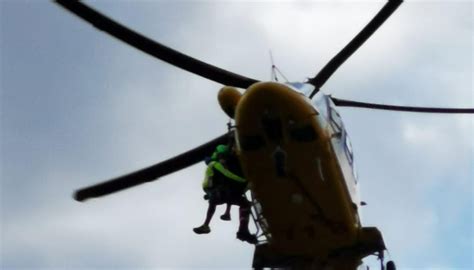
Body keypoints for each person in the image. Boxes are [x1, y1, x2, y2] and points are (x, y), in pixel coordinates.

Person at [193, 150, 257, 244]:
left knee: (236, 200)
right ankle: (242, 229)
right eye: (223, 160)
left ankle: (241, 229)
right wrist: (243, 181)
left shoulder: (216, 168)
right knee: (240, 202)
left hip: (217, 193)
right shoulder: (215, 164)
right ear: (220, 159)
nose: (224, 162)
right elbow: (227, 174)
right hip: (217, 192)